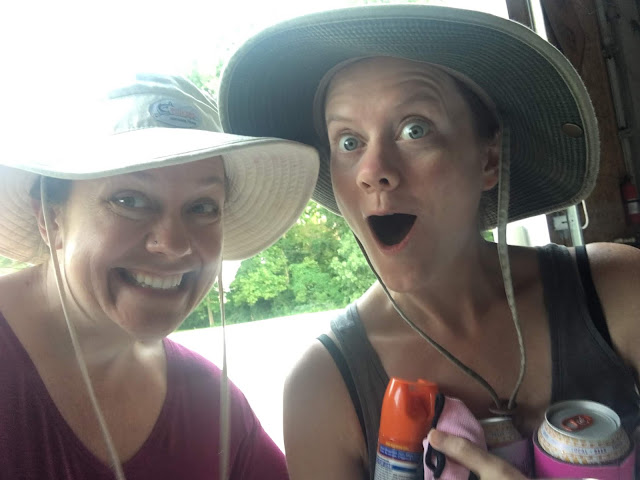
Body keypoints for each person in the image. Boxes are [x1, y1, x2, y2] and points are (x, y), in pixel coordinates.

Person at [218, 5, 640, 479]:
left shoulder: (619, 291)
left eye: (414, 129)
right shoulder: (323, 387)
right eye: (349, 141)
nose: (373, 170)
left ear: (489, 159)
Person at [0, 73, 319, 480]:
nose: (174, 243)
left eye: (202, 207)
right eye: (130, 200)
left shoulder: (212, 405)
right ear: (51, 217)